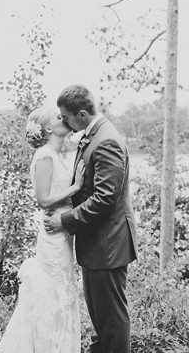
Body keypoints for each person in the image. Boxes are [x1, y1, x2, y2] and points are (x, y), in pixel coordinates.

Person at [44, 84, 138, 353]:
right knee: (101, 318)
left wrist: (65, 221)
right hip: (97, 243)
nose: (63, 121)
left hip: (108, 244)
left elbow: (105, 199)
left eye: (65, 117)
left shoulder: (106, 140)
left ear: (82, 114)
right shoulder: (93, 134)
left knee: (111, 319)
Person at [0, 106, 85, 352]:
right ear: (48, 128)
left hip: (63, 232)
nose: (64, 119)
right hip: (53, 234)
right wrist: (77, 186)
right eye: (59, 117)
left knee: (63, 292)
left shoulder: (58, 153)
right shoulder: (45, 156)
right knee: (53, 296)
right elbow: (43, 199)